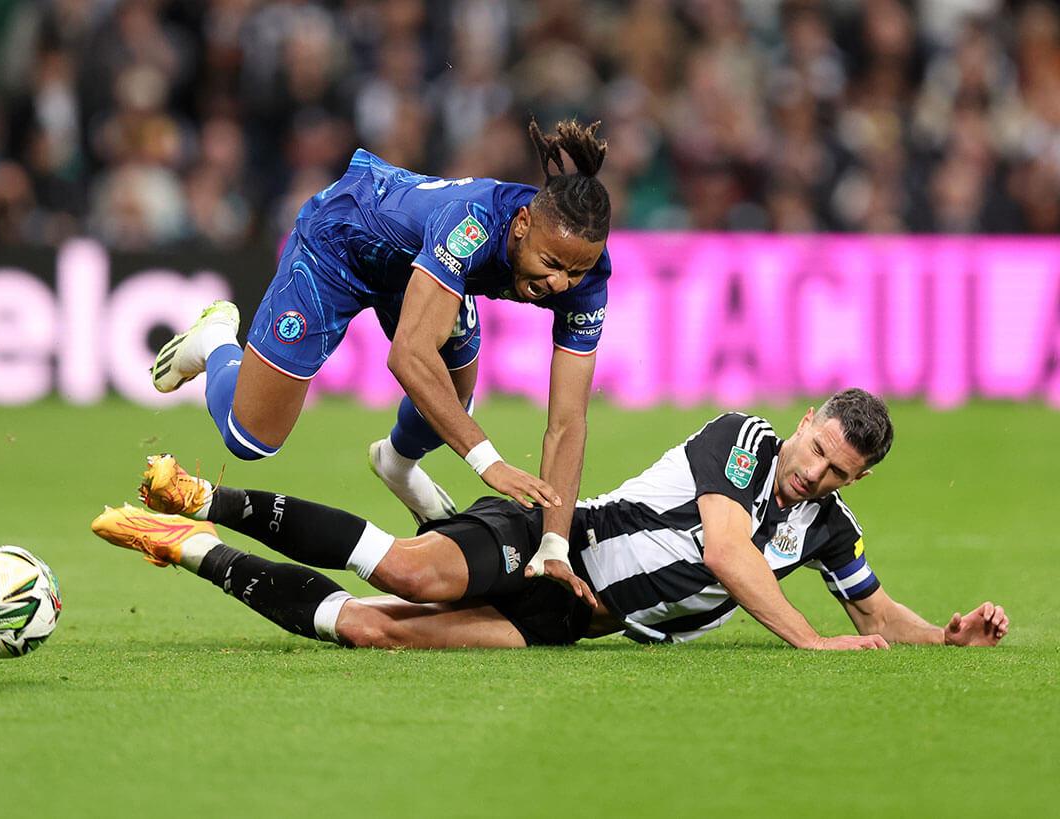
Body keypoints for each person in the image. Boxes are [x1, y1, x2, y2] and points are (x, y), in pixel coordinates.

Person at [90, 388, 1009, 650]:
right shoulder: (748, 440)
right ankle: (203, 495)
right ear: (806, 422)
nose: (811, 475)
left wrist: (944, 634)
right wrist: (808, 642)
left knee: (374, 630)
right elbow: (730, 552)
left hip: (576, 616)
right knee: (405, 571)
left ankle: (189, 547)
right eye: (815, 451)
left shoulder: (825, 524)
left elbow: (874, 610)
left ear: (856, 477)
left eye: (835, 473)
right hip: (552, 538)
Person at [149, 119, 612, 587]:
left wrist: (555, 545)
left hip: (419, 268)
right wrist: (488, 463)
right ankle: (215, 341)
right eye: (551, 264)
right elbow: (408, 356)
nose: (560, 284)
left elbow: (568, 420)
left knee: (450, 399)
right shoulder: (471, 225)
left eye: (576, 272)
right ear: (522, 224)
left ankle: (396, 462)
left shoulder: (588, 278)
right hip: (341, 243)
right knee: (249, 440)